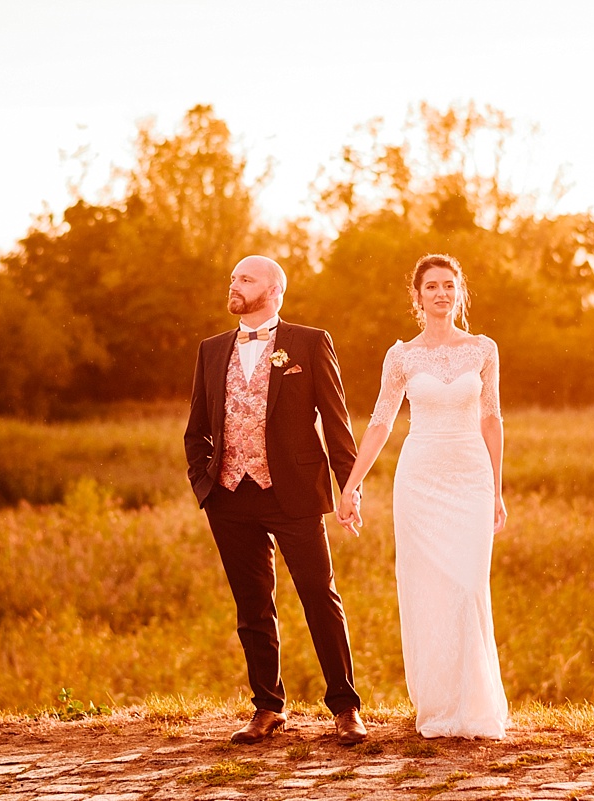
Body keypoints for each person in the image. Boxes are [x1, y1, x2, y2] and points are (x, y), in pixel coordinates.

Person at [184, 254, 368, 746]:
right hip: (229, 497)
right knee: (252, 605)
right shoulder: (211, 349)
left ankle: (345, 707)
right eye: (233, 277)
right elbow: (197, 427)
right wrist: (204, 482)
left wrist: (349, 487)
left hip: (294, 493)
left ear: (273, 290)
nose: (234, 284)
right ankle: (267, 707)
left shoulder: (309, 342)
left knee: (319, 597)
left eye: (245, 279)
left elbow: (336, 421)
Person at [336, 253, 508, 739]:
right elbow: (380, 423)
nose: (441, 293)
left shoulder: (483, 349)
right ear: (417, 297)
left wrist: (497, 491)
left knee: (468, 585)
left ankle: (474, 705)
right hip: (420, 480)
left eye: (449, 285)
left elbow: (492, 418)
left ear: (459, 292)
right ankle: (439, 706)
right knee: (428, 589)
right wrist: (351, 485)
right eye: (431, 286)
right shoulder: (402, 357)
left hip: (471, 477)